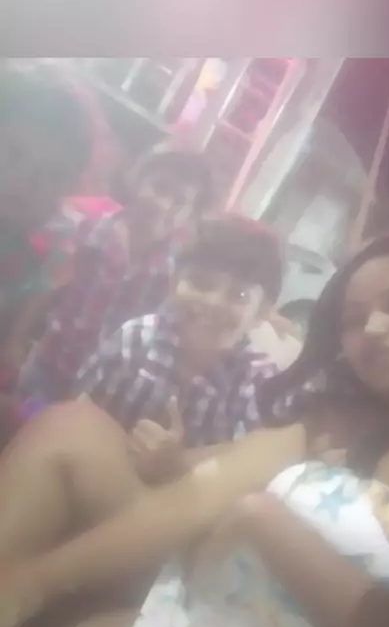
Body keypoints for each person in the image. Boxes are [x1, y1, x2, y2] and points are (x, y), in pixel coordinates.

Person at [0, 227, 389, 627]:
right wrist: (178, 460)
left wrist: (262, 521)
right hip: (201, 591)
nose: (373, 328)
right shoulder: (339, 416)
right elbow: (208, 485)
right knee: (73, 428)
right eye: (353, 319)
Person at [75, 218, 282, 465]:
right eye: (201, 283)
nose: (214, 302)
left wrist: (178, 464)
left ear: (260, 313)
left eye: (239, 294)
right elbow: (77, 419)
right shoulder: (135, 340)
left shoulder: (259, 383)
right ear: (173, 284)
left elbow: (253, 470)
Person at [18, 147, 213, 406]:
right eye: (160, 188)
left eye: (180, 202)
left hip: (104, 392)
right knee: (22, 423)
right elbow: (47, 287)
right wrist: (15, 341)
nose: (164, 205)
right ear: (138, 181)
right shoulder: (88, 230)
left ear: (190, 217)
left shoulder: (174, 274)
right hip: (49, 367)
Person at [0, 67, 93, 439]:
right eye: (13, 154)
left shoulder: (39, 251)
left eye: (51, 175)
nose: (25, 181)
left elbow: (12, 349)